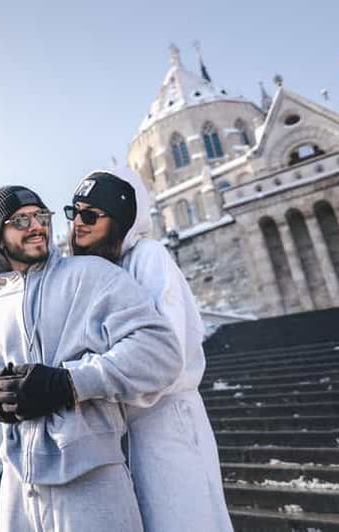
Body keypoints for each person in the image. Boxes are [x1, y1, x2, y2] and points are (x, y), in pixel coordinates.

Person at [0, 185, 183, 532]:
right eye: (20, 220)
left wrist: (69, 383)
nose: (36, 226)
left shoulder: (93, 276)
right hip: (19, 486)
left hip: (91, 477)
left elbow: (159, 351)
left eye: (40, 215)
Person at [66, 169, 233, 532]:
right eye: (74, 212)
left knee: (183, 518)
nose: (78, 223)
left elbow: (166, 350)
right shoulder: (101, 268)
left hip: (167, 422)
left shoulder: (150, 256)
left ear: (120, 219)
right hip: (126, 428)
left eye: (90, 215)